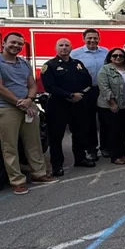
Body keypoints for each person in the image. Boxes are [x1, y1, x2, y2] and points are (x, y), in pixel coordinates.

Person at [0, 32, 57, 195]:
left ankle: (39, 174)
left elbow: (32, 85)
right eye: (13, 42)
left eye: (20, 44)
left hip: (27, 107)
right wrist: (20, 103)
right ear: (4, 43)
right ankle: (17, 180)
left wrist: (30, 99)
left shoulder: (23, 63)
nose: (16, 46)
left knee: (34, 143)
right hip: (4, 109)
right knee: (10, 146)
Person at [41, 38, 96, 176]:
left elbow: (88, 82)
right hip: (58, 106)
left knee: (79, 133)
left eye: (67, 45)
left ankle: (80, 158)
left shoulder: (77, 64)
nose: (64, 48)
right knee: (56, 137)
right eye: (61, 45)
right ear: (56, 48)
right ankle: (57, 165)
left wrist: (81, 94)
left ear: (71, 48)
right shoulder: (50, 66)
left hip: (78, 105)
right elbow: (50, 87)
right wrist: (70, 95)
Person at [71, 28, 109, 160]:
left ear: (99, 39)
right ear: (84, 39)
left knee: (105, 120)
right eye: (89, 38)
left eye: (95, 38)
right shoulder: (75, 54)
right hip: (87, 91)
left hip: (103, 90)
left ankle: (105, 147)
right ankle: (92, 149)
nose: (92, 40)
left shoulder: (106, 52)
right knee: (89, 121)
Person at [97, 48, 125, 165]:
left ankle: (122, 153)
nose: (118, 58)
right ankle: (115, 156)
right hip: (108, 106)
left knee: (123, 131)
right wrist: (112, 103)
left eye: (121, 56)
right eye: (115, 55)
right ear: (110, 57)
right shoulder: (105, 69)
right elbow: (104, 87)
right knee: (113, 131)